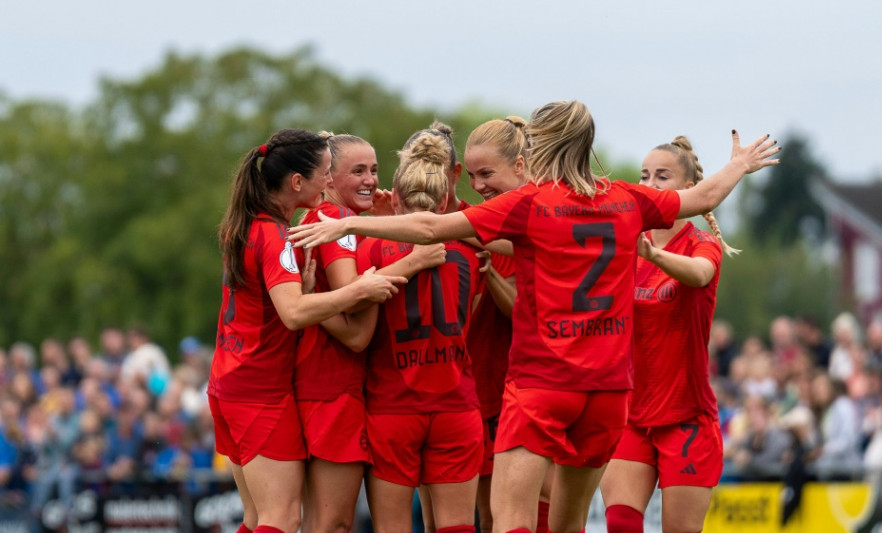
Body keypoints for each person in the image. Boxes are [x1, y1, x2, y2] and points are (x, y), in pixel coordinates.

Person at [288, 100, 780, 533]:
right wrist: (738, 165)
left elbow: (432, 227)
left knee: (511, 522)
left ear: (538, 147)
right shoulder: (626, 198)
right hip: (609, 393)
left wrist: (353, 225)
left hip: (543, 386)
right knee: (567, 525)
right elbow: (703, 198)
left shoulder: (529, 203)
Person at [210, 128, 405, 533]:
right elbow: (294, 313)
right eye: (326, 172)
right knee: (282, 519)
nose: (329, 181)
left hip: (229, 381)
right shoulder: (276, 234)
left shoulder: (244, 224)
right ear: (297, 182)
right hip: (260, 390)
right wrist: (361, 289)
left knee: (257, 518)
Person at [294, 133, 446, 533]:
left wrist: (380, 225)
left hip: (324, 385)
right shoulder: (335, 222)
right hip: (333, 387)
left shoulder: (334, 220)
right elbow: (356, 311)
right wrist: (414, 260)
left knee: (318, 520)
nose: (370, 180)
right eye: (357, 171)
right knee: (334, 523)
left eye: (375, 170)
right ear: (328, 177)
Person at [599, 135, 739, 533]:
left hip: (686, 418)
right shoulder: (623, 242)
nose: (650, 184)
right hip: (630, 415)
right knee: (620, 523)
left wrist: (654, 255)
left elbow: (701, 274)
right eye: (644, 176)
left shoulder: (700, 243)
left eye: (662, 176)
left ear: (689, 189)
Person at [357, 131, 483, 533]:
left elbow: (357, 311)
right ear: (445, 201)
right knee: (457, 527)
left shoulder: (371, 247)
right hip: (457, 407)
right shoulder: (471, 250)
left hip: (392, 407)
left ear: (394, 197)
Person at [462, 117, 538, 533]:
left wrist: (487, 267)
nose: (478, 186)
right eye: (471, 175)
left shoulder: (538, 216)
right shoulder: (477, 220)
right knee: (490, 516)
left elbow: (523, 311)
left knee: (538, 511)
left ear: (521, 166)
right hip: (481, 388)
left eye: (487, 174)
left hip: (534, 387)